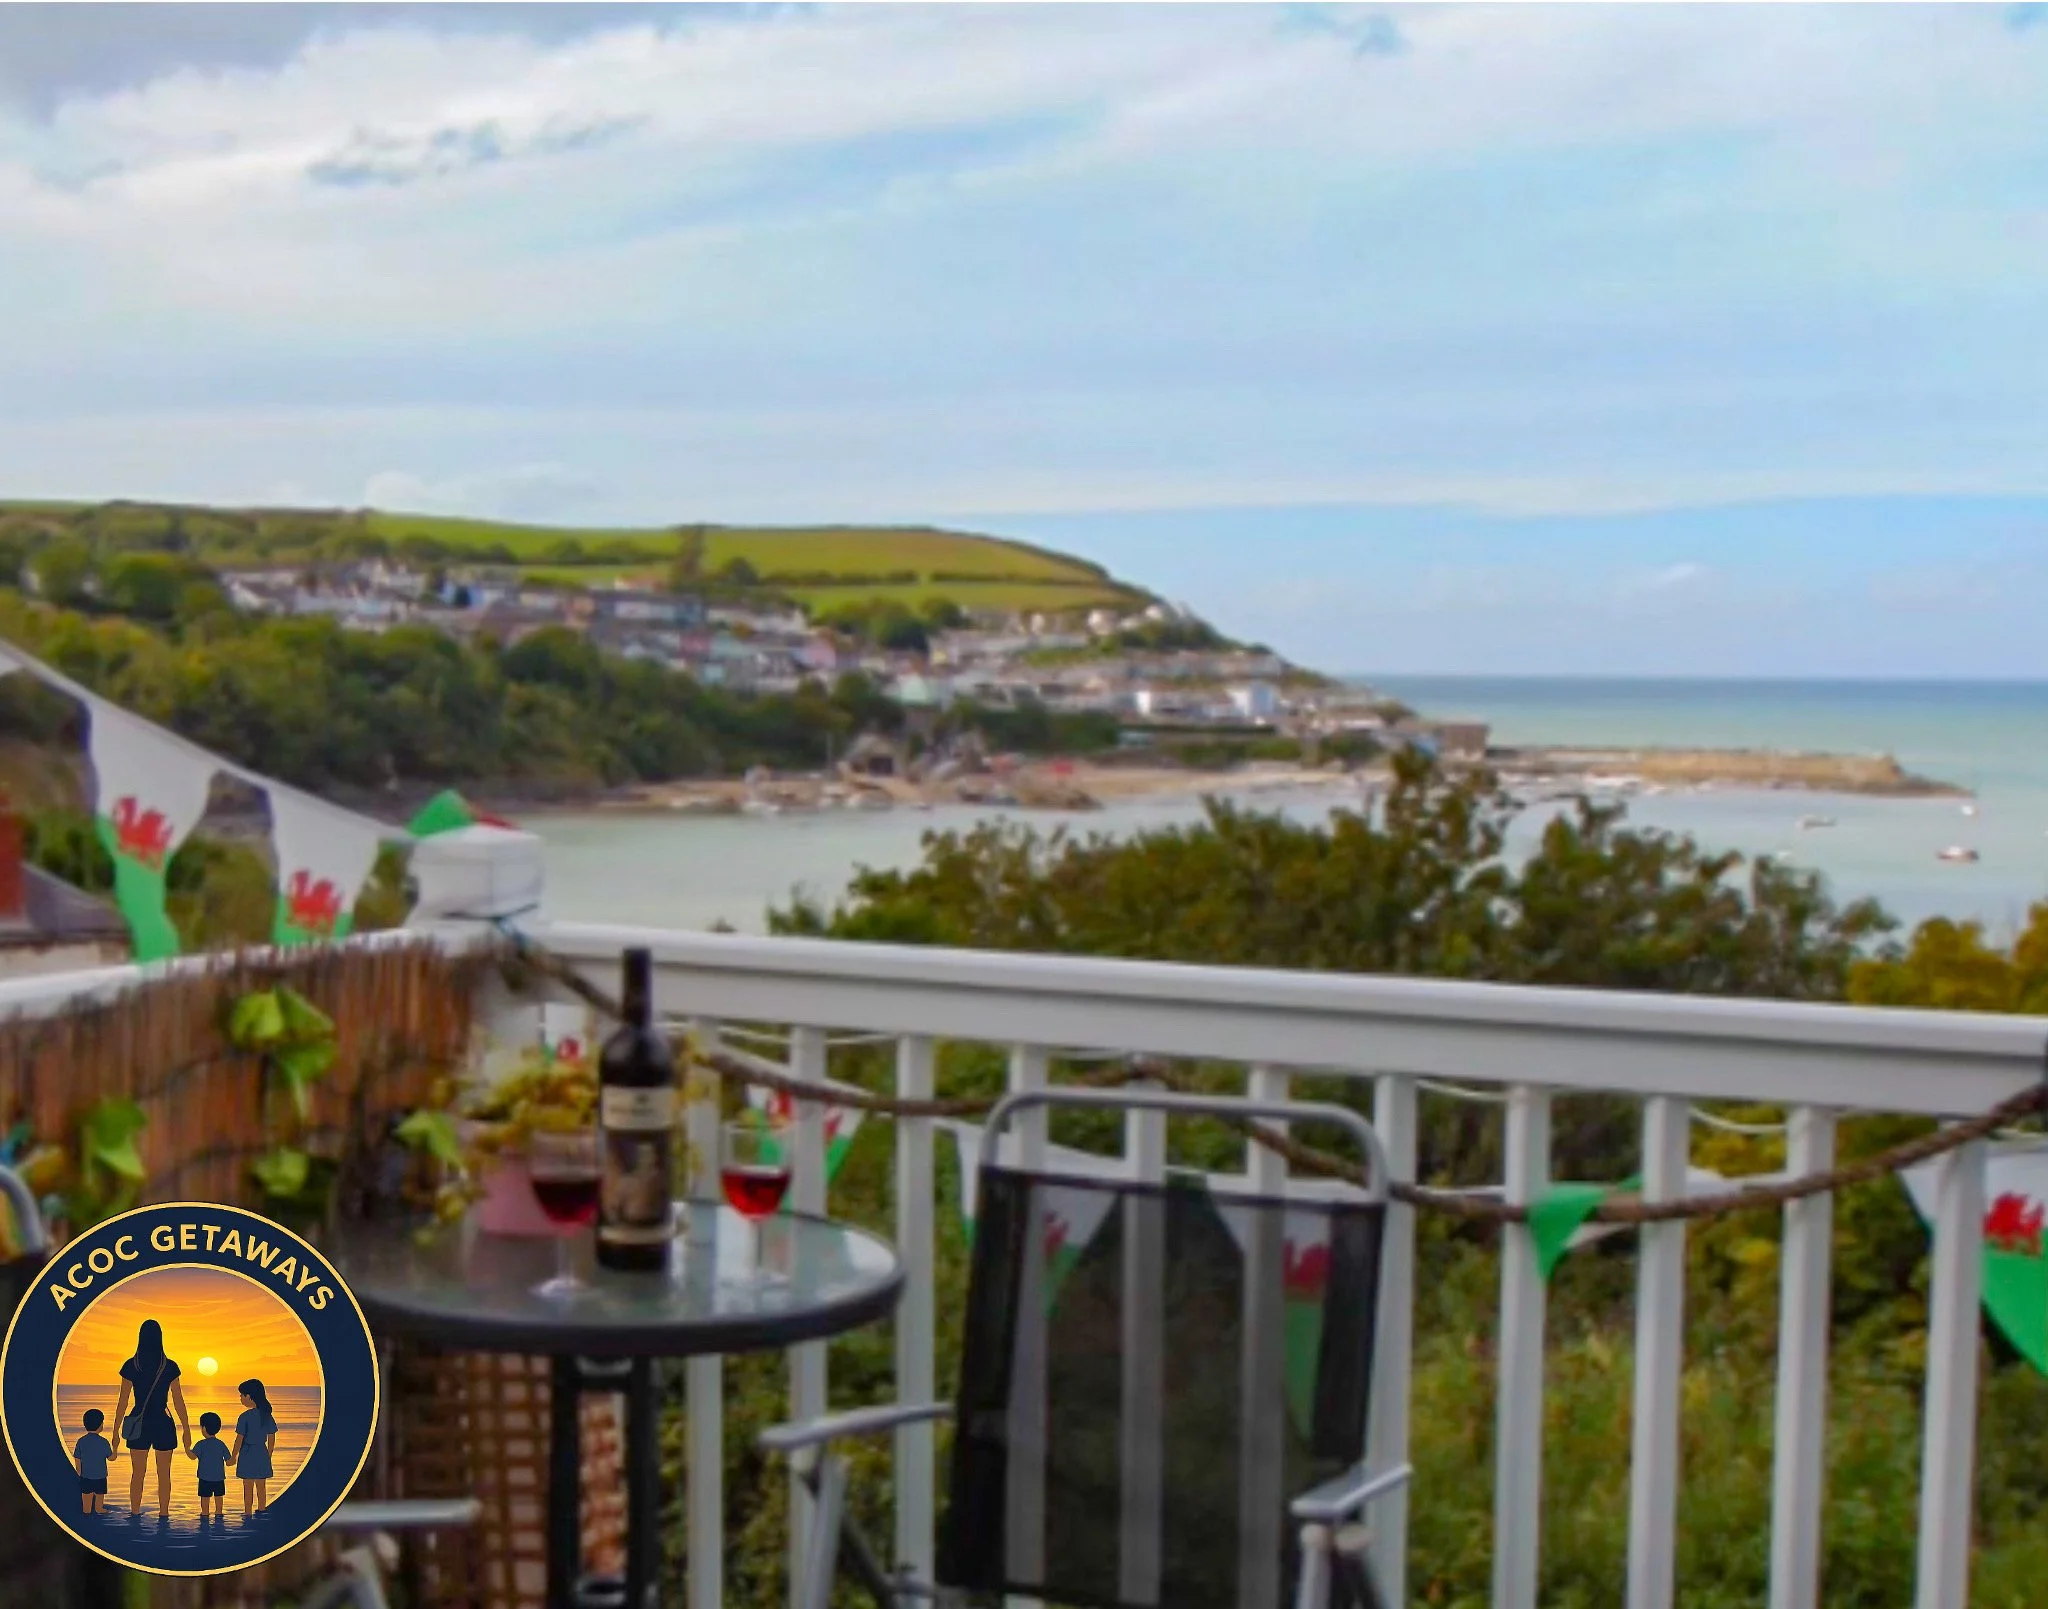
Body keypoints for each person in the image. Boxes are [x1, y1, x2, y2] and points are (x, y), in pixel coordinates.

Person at [108, 1319, 190, 1517]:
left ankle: (135, 1514)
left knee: (137, 1474)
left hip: (138, 1424)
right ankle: (164, 1515)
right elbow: (178, 1400)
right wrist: (186, 1428)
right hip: (163, 1422)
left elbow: (123, 1401)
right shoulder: (169, 1366)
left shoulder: (131, 1365)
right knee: (164, 1475)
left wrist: (116, 1431)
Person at [231, 1379, 277, 1516]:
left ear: (249, 1396)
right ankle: (261, 1509)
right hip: (261, 1452)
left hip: (247, 1453)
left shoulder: (244, 1417)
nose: (240, 1398)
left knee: (248, 1486)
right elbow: (272, 1436)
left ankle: (247, 1512)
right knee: (261, 1486)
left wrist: (233, 1456)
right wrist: (268, 1454)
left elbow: (239, 1439)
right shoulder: (266, 1415)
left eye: (242, 1395)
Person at [188, 1412, 230, 1520]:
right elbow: (229, 1460)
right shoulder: (221, 1444)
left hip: (204, 1478)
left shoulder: (201, 1444)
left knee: (205, 1499)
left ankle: (205, 1515)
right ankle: (219, 1515)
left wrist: (186, 1447)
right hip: (219, 1478)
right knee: (219, 1498)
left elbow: (192, 1456)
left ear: (204, 1428)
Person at [74, 1408, 111, 1515]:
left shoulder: (81, 1441)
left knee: (86, 1503)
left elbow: (77, 1458)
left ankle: (87, 1511)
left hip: (86, 1476)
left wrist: (79, 1473)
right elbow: (110, 1457)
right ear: (101, 1425)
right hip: (100, 1477)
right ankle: (99, 1509)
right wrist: (116, 1449)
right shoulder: (104, 1442)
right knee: (99, 1499)